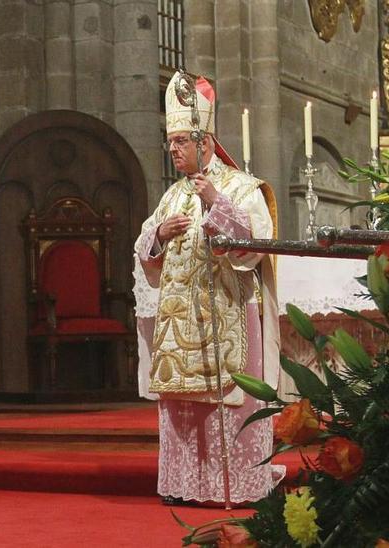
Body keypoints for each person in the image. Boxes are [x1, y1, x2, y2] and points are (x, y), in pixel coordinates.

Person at [135, 71, 281, 506]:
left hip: (229, 311)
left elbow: (254, 247)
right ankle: (186, 485)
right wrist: (160, 232)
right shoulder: (172, 194)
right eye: (171, 141)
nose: (173, 150)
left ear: (205, 141)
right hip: (182, 320)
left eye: (180, 141)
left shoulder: (242, 187)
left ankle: (238, 486)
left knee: (231, 402)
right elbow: (145, 246)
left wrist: (217, 203)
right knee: (184, 403)